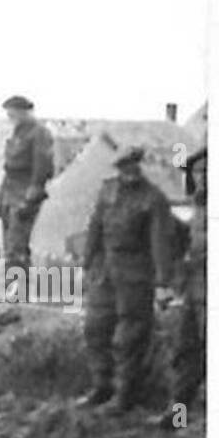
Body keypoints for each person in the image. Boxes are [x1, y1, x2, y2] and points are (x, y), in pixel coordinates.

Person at [80, 147, 172, 413]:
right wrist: (87, 262)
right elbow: (95, 226)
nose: (127, 172)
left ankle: (124, 395)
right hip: (106, 269)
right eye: (122, 168)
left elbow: (160, 243)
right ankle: (101, 386)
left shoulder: (153, 199)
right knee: (95, 328)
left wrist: (163, 283)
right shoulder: (107, 191)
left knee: (129, 337)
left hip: (135, 273)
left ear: (138, 166)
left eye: (131, 166)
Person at [0, 95, 55, 281]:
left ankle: (17, 291)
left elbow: (42, 169)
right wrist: (0, 199)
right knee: (9, 246)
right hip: (10, 194)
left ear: (24, 112)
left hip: (24, 195)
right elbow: (9, 169)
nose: (10, 117)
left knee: (16, 246)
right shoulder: (17, 134)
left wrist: (30, 199)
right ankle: (13, 288)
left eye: (12, 113)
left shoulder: (39, 133)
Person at [170, 145, 207, 411]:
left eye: (206, 172)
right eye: (197, 172)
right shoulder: (199, 206)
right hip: (195, 289)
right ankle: (178, 414)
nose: (201, 178)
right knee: (185, 351)